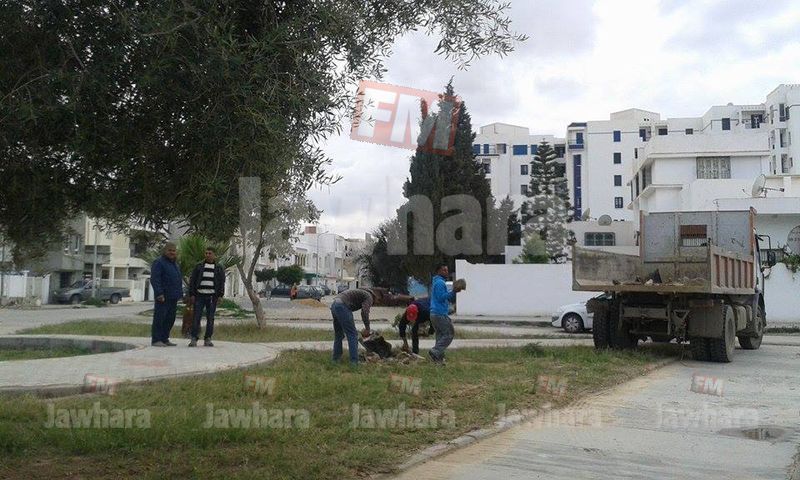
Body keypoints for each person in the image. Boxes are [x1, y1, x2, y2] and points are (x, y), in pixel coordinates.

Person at [330, 287, 411, 365]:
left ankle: (335, 360)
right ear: (376, 297)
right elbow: (364, 312)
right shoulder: (369, 297)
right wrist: (367, 328)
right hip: (342, 306)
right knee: (352, 335)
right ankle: (354, 362)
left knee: (339, 334)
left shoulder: (363, 292)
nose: (375, 303)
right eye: (377, 302)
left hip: (335, 305)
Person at [188, 247, 226, 347]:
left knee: (210, 318)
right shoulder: (199, 266)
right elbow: (193, 280)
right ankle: (194, 338)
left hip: (212, 297)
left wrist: (220, 295)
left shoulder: (219, 268)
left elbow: (221, 282)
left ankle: (208, 338)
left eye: (210, 253)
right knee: (196, 317)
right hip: (199, 296)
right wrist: (192, 294)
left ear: (214, 255)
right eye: (206, 253)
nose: (207, 255)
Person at [429, 263, 463, 364]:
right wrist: (453, 292)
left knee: (440, 336)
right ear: (438, 271)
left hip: (434, 313)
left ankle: (438, 359)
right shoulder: (440, 283)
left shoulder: (436, 281)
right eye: (444, 270)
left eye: (447, 270)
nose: (446, 272)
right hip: (439, 313)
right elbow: (441, 297)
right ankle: (435, 351)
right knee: (449, 334)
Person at [150, 242, 183, 347]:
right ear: (165, 251)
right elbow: (155, 279)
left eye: (174, 251)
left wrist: (180, 294)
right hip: (163, 297)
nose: (172, 252)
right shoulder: (159, 262)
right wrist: (159, 293)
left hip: (173, 296)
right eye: (170, 250)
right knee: (160, 318)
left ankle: (165, 338)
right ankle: (156, 340)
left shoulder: (175, 264)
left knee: (170, 319)